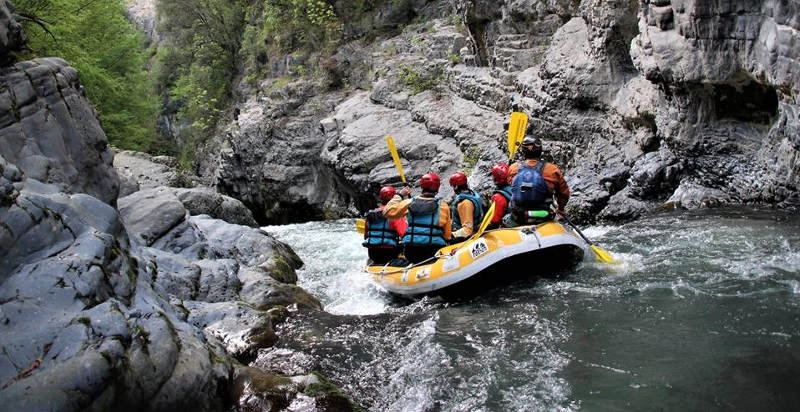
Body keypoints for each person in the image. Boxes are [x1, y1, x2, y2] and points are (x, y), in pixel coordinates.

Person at [383, 173, 452, 263]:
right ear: (437, 188)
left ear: (421, 186)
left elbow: (387, 212)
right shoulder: (443, 205)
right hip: (433, 251)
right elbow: (447, 235)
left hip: (411, 251)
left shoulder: (409, 202)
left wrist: (400, 195)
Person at [506, 136, 570, 225]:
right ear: (540, 150)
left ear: (523, 151)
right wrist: (560, 209)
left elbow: (511, 187)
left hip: (518, 217)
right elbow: (564, 194)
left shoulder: (513, 168)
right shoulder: (552, 170)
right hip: (543, 216)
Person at [363, 186, 408, 265]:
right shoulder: (394, 214)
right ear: (394, 199)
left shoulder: (370, 215)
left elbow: (366, 236)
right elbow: (405, 234)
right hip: (389, 253)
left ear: (381, 199)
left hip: (372, 254)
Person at [448, 171, 483, 241]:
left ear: (456, 187)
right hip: (475, 229)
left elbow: (467, 230)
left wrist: (451, 235)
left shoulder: (465, 203)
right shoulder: (472, 194)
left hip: (467, 238)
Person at [487, 163, 512, 230]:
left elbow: (495, 221)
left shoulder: (498, 197)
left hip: (507, 228)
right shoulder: (514, 187)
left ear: (495, 179)